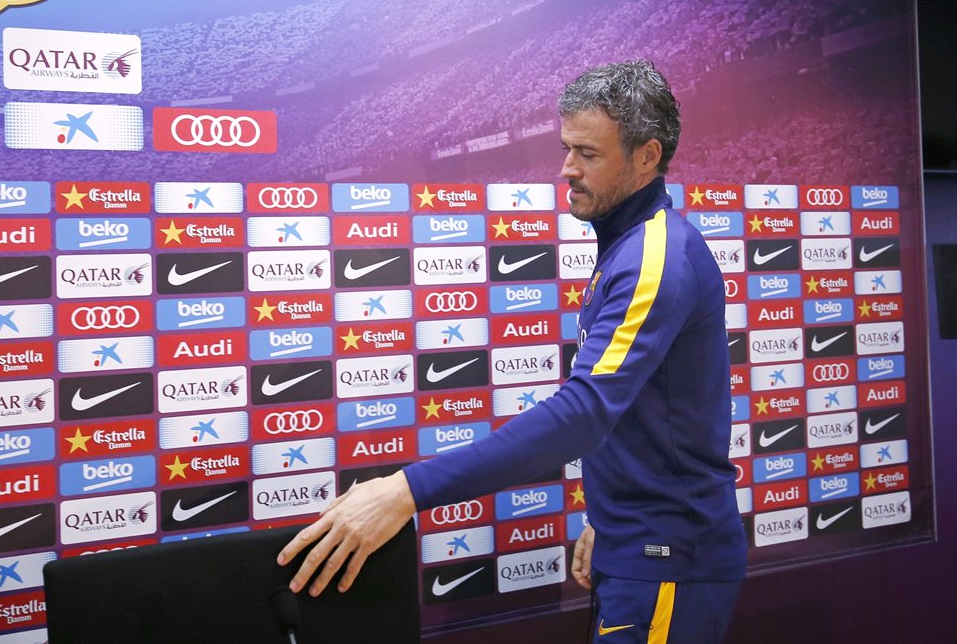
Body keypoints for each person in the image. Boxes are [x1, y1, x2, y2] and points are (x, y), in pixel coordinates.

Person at [279, 59, 747, 643]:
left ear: (647, 156)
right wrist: (610, 517)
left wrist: (405, 491)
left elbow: (585, 412)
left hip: (669, 557)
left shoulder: (656, 255)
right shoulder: (631, 245)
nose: (566, 169)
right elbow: (646, 411)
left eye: (589, 154)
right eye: (566, 148)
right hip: (639, 545)